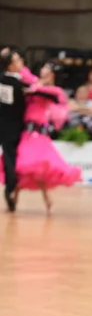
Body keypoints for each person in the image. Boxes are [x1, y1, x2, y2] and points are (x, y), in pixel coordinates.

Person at [0, 62, 82, 213]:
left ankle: (44, 198)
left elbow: (50, 95)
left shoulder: (51, 90)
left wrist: (35, 87)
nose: (42, 69)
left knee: (37, 166)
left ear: (51, 74)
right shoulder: (33, 83)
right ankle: (17, 196)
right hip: (26, 132)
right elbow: (25, 76)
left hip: (39, 135)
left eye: (46, 68)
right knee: (21, 165)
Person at [0, 48, 26, 211]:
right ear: (10, 65)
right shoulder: (16, 83)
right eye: (17, 60)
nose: (20, 62)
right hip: (13, 128)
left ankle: (12, 187)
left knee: (11, 158)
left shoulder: (3, 80)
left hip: (7, 127)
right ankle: (10, 187)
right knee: (11, 159)